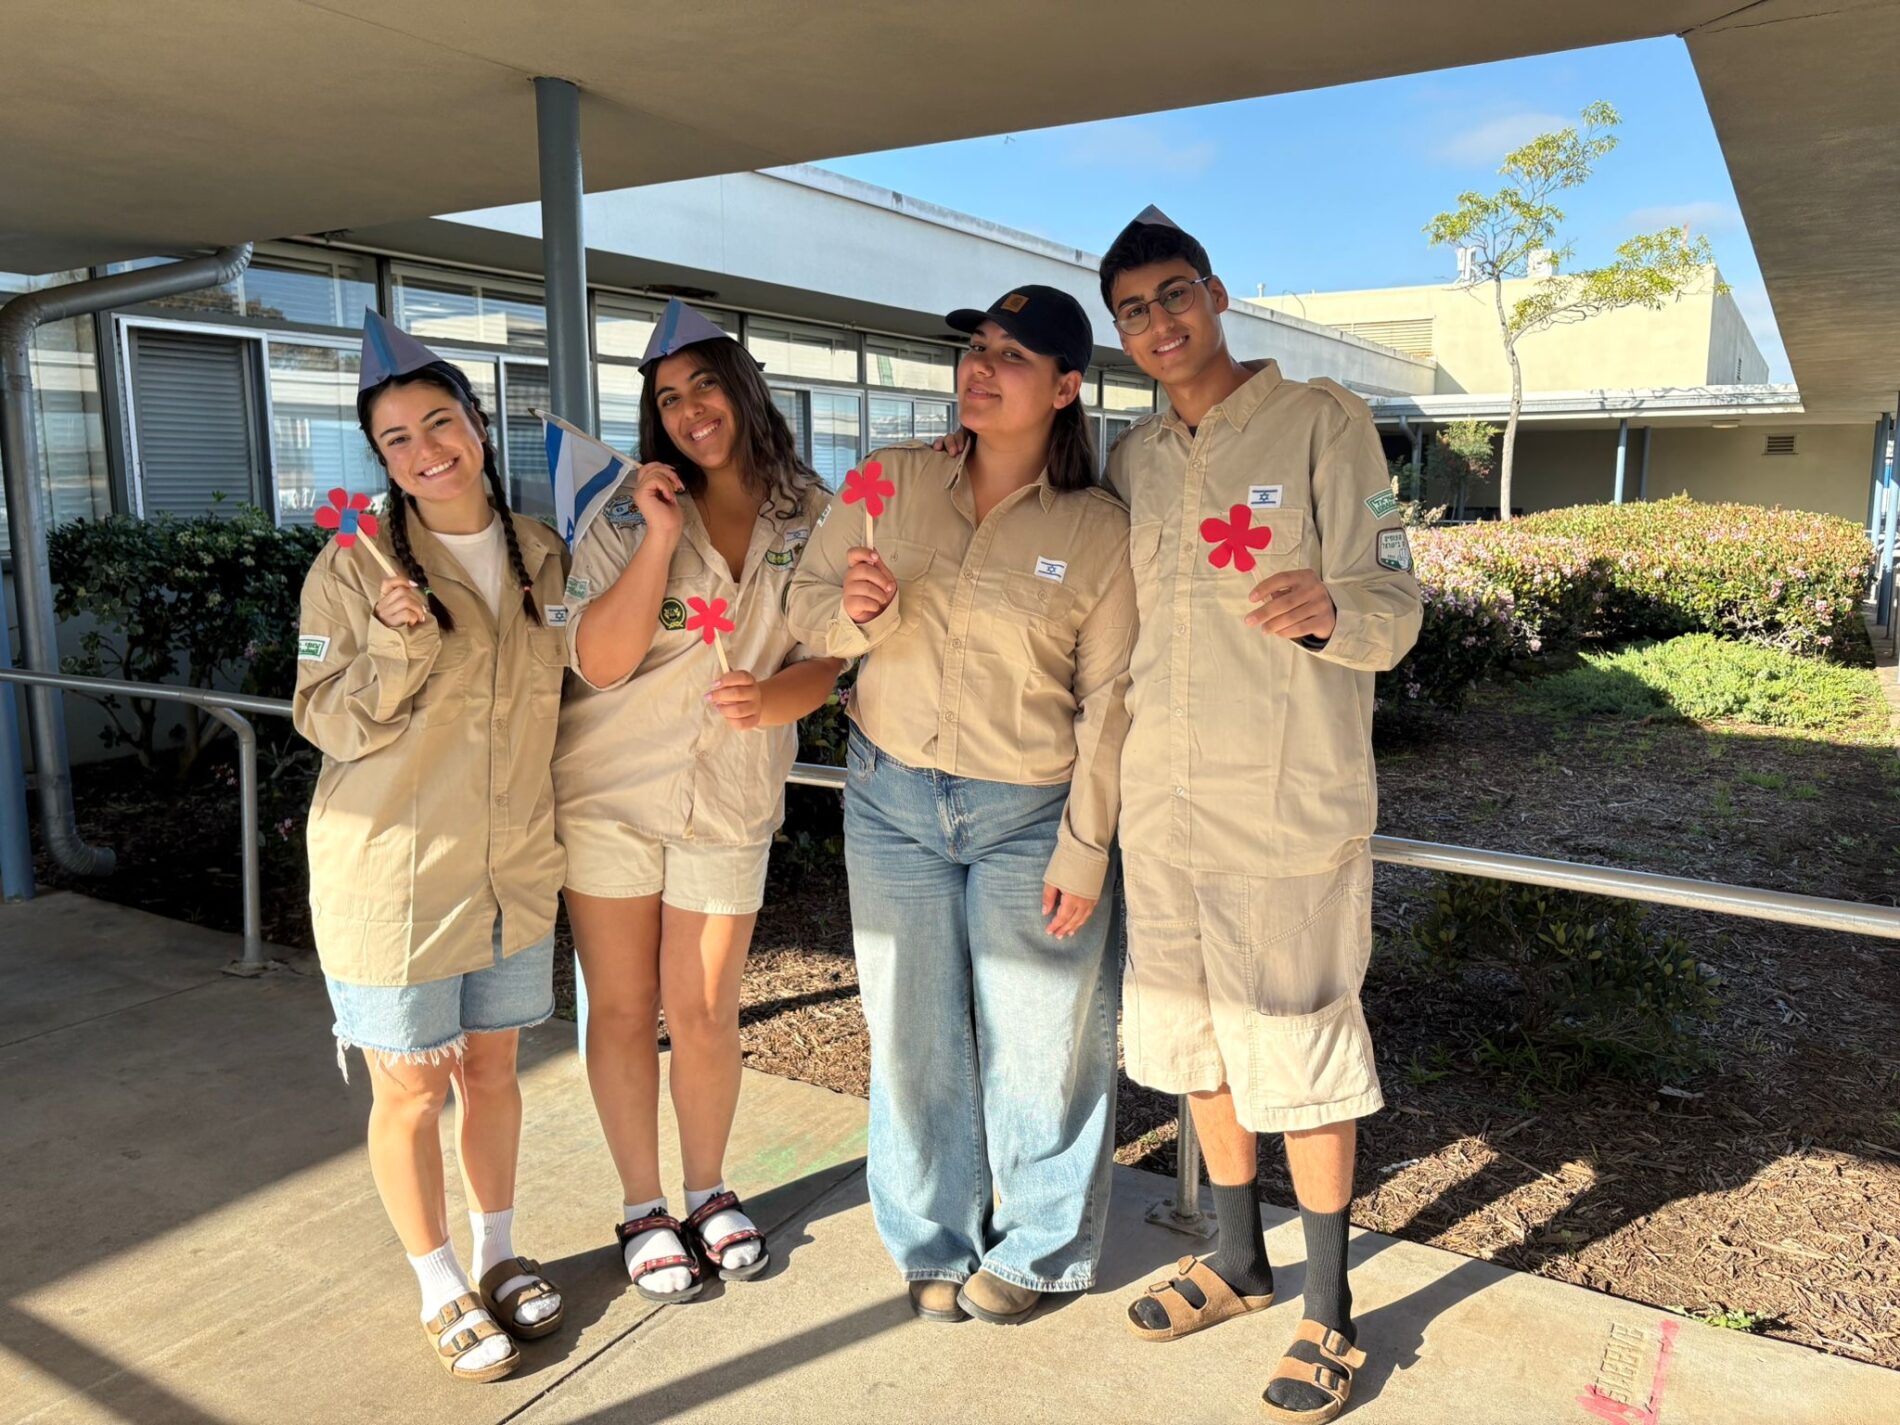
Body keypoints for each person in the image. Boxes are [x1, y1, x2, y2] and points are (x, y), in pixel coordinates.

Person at [1098, 207, 1421, 1424]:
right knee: (1196, 1048)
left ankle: (1328, 1313)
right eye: (1133, 311)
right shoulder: (1132, 462)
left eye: (1173, 296)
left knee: (1299, 1048)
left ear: (1216, 294)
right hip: (1163, 813)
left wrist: (1332, 610)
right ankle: (1236, 1259)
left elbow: (1394, 598)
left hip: (1284, 810)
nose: (1158, 324)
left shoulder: (1320, 420)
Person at [786, 285, 1136, 1327]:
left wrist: (1086, 847)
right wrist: (846, 616)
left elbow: (1114, 702)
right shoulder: (886, 483)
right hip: (891, 800)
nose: (980, 369)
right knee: (911, 1036)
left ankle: (1039, 1250)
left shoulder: (1098, 530)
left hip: (1030, 814)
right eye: (976, 349)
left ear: (1066, 388)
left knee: (1044, 1046)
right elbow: (804, 602)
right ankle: (930, 1237)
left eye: (1012, 358)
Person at [294, 312, 571, 1383]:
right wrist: (399, 648)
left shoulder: (542, 553)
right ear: (381, 459)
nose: (424, 451)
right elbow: (323, 719)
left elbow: (584, 674)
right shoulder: (351, 566)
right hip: (393, 870)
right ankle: (436, 1278)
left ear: (477, 424)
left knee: (494, 1070)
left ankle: (499, 1254)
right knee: (409, 1084)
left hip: (511, 867)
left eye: (439, 422)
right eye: (397, 439)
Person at [554, 300, 844, 1301]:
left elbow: (831, 658)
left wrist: (770, 698)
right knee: (625, 1008)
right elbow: (596, 661)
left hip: (729, 798)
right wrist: (655, 538)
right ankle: (644, 1206)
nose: (688, 411)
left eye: (703, 385)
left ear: (742, 385)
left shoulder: (810, 511)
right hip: (607, 798)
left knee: (708, 1008)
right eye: (667, 398)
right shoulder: (626, 510)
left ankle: (709, 1189)